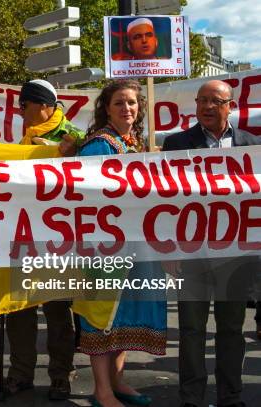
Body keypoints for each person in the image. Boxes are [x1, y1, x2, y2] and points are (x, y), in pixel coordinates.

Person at [163, 79, 261, 407]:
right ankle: (190, 397)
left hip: (236, 255)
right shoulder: (176, 144)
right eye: (201, 100)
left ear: (230, 106)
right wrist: (169, 248)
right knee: (191, 330)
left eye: (214, 101)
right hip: (191, 254)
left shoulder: (252, 145)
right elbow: (164, 201)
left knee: (231, 331)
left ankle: (230, 397)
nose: (206, 107)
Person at [73, 79, 167, 407]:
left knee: (121, 318)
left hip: (133, 244)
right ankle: (102, 391)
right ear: (106, 109)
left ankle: (117, 382)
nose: (127, 108)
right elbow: (86, 195)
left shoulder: (134, 143)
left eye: (131, 103)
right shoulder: (100, 145)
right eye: (119, 103)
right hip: (104, 247)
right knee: (101, 318)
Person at [4, 79, 82, 401]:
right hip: (24, 239)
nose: (21, 112)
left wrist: (72, 149)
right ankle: (20, 373)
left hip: (57, 241)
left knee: (57, 313)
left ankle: (60, 375)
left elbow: (86, 151)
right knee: (19, 311)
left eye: (25, 105)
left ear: (45, 106)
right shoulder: (23, 140)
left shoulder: (72, 135)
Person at [18, 79, 84, 156]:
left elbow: (96, 164)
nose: (20, 113)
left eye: (23, 106)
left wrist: (75, 155)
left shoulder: (77, 137)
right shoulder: (25, 140)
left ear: (43, 106)